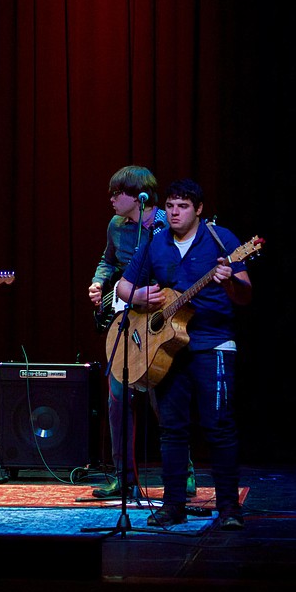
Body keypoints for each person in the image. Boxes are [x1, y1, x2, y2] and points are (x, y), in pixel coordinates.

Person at [115, 178, 252, 529]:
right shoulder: (156, 243)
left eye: (184, 206)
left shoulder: (223, 241)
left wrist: (229, 281)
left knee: (218, 426)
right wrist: (140, 297)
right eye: (171, 206)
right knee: (172, 429)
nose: (175, 213)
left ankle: (229, 510)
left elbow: (245, 295)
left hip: (212, 343)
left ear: (199, 209)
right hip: (167, 348)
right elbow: (124, 285)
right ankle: (172, 505)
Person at [87, 165, 194, 499]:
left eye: (117, 193)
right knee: (116, 398)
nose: (111, 199)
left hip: (159, 322)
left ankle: (183, 473)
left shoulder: (168, 224)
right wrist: (98, 282)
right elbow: (108, 261)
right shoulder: (116, 226)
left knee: (163, 401)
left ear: (138, 197)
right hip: (129, 319)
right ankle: (123, 476)